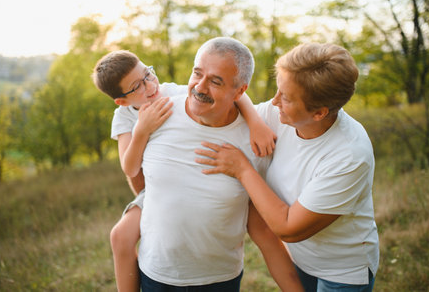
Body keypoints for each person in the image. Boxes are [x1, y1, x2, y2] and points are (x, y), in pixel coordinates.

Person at [92, 49, 298, 291]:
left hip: (215, 269)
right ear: (122, 100)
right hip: (152, 193)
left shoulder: (171, 93)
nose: (149, 85)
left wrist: (255, 123)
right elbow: (129, 167)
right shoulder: (125, 116)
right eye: (137, 86)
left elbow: (232, 94)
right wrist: (142, 130)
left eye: (148, 74)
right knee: (120, 237)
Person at [195, 42, 380, 291]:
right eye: (278, 89)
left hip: (341, 272)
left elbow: (288, 229)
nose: (274, 101)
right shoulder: (280, 115)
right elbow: (234, 97)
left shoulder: (348, 155)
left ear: (319, 113)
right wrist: (254, 119)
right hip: (300, 260)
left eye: (286, 97)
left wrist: (242, 169)